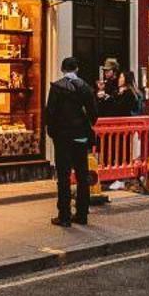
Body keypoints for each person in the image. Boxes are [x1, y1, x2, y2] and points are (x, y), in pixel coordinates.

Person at [44, 55, 98, 228]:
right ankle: (82, 214)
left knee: (64, 176)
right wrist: (85, 125)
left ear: (62, 69)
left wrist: (53, 133)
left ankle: (64, 215)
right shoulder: (86, 88)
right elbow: (94, 114)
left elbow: (50, 114)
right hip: (80, 136)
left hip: (63, 138)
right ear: (77, 69)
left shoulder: (57, 88)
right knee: (82, 176)